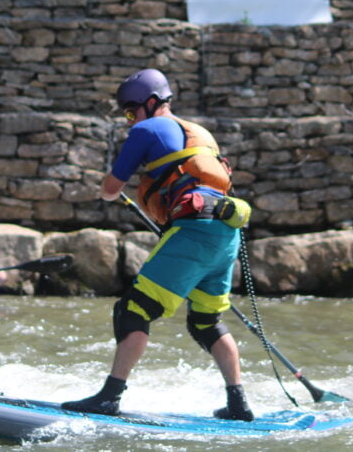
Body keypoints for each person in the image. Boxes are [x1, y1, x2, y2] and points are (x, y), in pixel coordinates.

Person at [61, 68, 254, 421]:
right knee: (206, 322)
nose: (129, 119)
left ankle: (109, 396)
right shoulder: (201, 134)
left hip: (194, 231)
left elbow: (111, 186)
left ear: (151, 103)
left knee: (132, 310)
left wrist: (108, 192)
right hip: (227, 232)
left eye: (131, 111)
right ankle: (238, 404)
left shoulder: (145, 129)